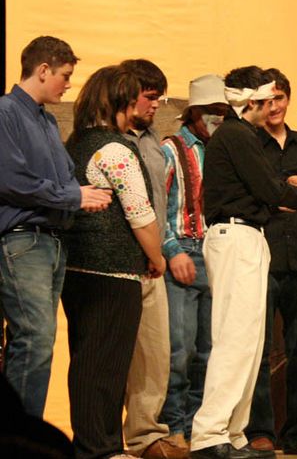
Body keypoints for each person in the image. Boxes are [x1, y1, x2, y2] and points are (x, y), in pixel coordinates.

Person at [190, 65, 297, 459]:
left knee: (252, 343)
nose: (271, 105)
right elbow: (270, 189)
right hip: (235, 235)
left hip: (250, 237)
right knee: (234, 339)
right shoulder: (235, 135)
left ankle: (234, 432)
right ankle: (209, 434)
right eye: (267, 97)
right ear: (251, 100)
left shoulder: (245, 135)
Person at [0, 36, 112, 418]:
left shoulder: (47, 121)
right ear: (43, 69)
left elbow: (64, 178)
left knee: (36, 341)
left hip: (52, 241)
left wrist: (77, 194)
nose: (68, 84)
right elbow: (10, 179)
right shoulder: (5, 112)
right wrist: (73, 197)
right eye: (65, 75)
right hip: (23, 239)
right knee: (34, 339)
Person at [62, 65, 166, 459]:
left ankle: (98, 445)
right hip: (112, 270)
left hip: (76, 268)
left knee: (89, 358)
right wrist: (156, 258)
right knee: (105, 364)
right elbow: (140, 213)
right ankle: (98, 448)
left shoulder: (74, 144)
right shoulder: (116, 149)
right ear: (120, 102)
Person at [245, 68, 297, 456]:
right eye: (268, 100)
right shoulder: (249, 141)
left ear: (288, 99)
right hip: (263, 255)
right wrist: (288, 188)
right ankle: (260, 431)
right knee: (257, 349)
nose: (274, 107)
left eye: (280, 98)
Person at [159, 74, 228, 449]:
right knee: (179, 349)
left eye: (223, 111)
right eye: (213, 111)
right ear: (196, 113)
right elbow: (159, 205)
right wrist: (173, 250)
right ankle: (173, 426)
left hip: (215, 250)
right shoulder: (171, 150)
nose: (219, 118)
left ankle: (199, 428)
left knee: (210, 350)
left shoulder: (222, 149)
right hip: (184, 250)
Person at [118, 59, 179, 459]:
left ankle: (146, 435)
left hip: (153, 256)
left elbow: (162, 201)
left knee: (155, 355)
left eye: (160, 97)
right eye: (150, 96)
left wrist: (163, 251)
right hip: (120, 258)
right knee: (115, 355)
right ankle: (106, 439)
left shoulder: (154, 139)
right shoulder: (112, 139)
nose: (156, 104)